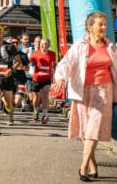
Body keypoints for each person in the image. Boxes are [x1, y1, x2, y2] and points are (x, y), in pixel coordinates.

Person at [54, 11, 117, 182]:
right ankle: (92, 164)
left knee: (93, 127)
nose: (104, 27)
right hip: (82, 91)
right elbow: (66, 63)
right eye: (100, 24)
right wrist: (60, 78)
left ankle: (83, 168)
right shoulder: (80, 46)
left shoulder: (110, 46)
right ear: (90, 27)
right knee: (85, 129)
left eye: (105, 24)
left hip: (104, 90)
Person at [0, 25, 21, 135]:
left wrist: (11, 69)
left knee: (9, 104)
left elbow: (18, 61)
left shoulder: (10, 47)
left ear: (3, 34)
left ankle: (8, 110)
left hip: (7, 78)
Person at [29, 38, 56, 124]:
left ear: (48, 45)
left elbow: (54, 65)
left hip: (46, 79)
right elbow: (28, 61)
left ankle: (44, 115)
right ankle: (35, 112)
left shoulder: (52, 54)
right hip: (36, 79)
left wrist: (55, 76)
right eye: (42, 44)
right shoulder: (36, 54)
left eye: (45, 44)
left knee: (45, 95)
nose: (43, 46)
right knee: (36, 98)